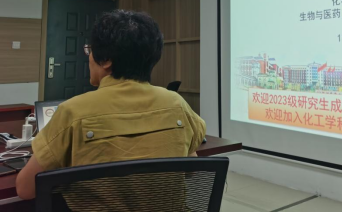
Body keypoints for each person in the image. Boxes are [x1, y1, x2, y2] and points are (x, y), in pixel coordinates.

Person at [16, 10, 206, 200]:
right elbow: (190, 169)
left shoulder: (73, 112)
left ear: (106, 59)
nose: (89, 57)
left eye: (90, 50)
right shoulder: (177, 104)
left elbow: (26, 188)